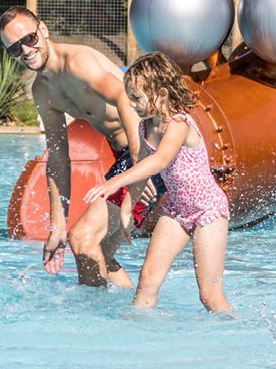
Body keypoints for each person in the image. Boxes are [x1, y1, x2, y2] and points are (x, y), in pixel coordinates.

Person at [0, 6, 164, 288]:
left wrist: (140, 165)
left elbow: (125, 98)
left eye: (29, 39)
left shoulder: (77, 63)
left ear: (43, 30)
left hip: (151, 148)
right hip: (128, 155)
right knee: (99, 254)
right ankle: (130, 311)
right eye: (14, 48)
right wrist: (57, 226)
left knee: (83, 238)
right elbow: (58, 158)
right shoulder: (42, 91)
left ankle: (93, 313)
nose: (25, 50)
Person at [83, 52, 232, 313]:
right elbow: (142, 168)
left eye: (137, 98)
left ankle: (235, 332)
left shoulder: (179, 123)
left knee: (209, 297)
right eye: (130, 98)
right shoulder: (145, 126)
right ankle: (136, 332)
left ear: (161, 94)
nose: (132, 104)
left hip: (208, 211)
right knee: (147, 281)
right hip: (176, 210)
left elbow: (160, 160)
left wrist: (113, 183)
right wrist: (127, 207)